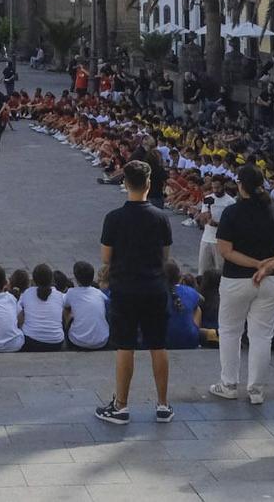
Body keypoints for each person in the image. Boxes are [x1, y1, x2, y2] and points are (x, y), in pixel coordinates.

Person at [94, 159, 175, 425]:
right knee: (158, 345)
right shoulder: (161, 218)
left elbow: (106, 258)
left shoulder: (113, 218)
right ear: (149, 184)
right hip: (154, 287)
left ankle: (121, 406)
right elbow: (165, 256)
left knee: (125, 346)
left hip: (125, 287)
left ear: (125, 183)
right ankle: (163, 405)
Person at [209, 163, 274, 405]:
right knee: (261, 336)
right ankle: (256, 390)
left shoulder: (232, 213)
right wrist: (266, 267)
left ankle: (229, 384)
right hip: (271, 280)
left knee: (229, 332)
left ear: (240, 186)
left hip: (237, 280)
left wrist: (255, 264)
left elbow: (225, 250)